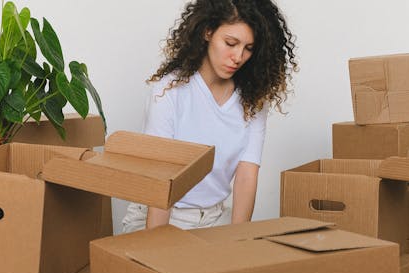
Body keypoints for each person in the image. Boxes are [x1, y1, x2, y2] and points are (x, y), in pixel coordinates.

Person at [122, 0, 298, 233]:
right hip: (158, 214)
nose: (238, 56)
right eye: (231, 43)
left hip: (213, 218)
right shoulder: (169, 91)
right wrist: (156, 249)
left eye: (248, 48)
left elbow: (247, 175)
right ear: (207, 32)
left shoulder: (252, 102)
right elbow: (161, 180)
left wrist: (237, 240)